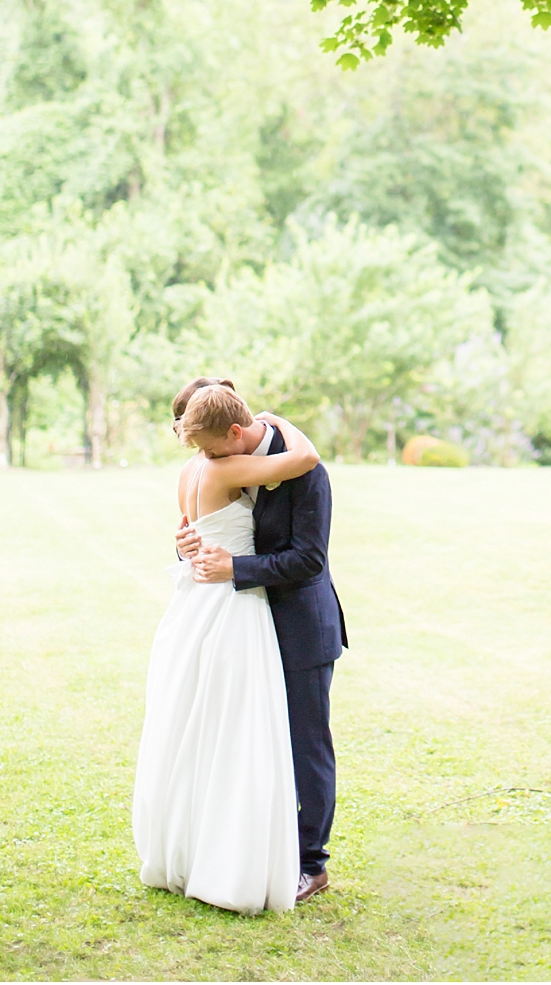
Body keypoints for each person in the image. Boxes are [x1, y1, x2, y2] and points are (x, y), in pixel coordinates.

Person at [132, 382, 319, 914]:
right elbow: (305, 457)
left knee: (195, 729)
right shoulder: (221, 467)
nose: (207, 456)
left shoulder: (190, 472)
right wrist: (279, 420)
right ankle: (230, 859)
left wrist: (185, 544)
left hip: (194, 604)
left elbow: (191, 531)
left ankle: (190, 849)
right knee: (237, 731)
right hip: (233, 609)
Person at [171, 377, 349, 904]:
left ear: (234, 431)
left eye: (209, 447)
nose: (205, 458)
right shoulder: (225, 464)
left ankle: (311, 864)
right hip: (242, 626)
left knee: (304, 745)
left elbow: (309, 559)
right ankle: (259, 849)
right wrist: (189, 546)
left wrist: (235, 566)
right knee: (251, 742)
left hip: (299, 626)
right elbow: (214, 527)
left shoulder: (305, 473)